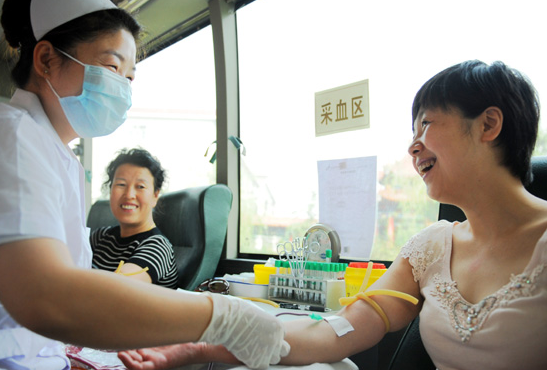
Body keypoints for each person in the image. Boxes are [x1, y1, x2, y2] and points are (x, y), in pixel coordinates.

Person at [119, 60, 547, 370]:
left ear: (489, 125)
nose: (413, 146)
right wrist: (203, 345)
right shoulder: (432, 247)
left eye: (426, 124)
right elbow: (331, 332)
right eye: (412, 132)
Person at [0, 1, 288, 369]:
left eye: (130, 77)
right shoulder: (15, 135)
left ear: (157, 195)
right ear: (46, 60)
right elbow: (46, 296)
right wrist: (221, 317)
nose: (122, 86)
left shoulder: (56, 155)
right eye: (111, 67)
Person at [90, 148, 178, 289]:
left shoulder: (158, 248)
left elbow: (115, 290)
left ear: (155, 196)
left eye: (140, 186)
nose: (129, 194)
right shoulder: (100, 237)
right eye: (121, 184)